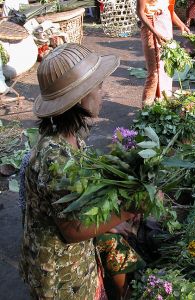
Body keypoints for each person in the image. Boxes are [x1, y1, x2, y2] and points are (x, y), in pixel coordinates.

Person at [19, 43, 143, 299]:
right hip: (60, 275)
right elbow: (73, 229)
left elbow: (78, 205)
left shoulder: (67, 138)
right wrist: (129, 209)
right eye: (98, 87)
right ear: (80, 98)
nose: (103, 92)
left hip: (72, 260)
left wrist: (110, 223)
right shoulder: (56, 158)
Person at [137, 0, 190, 107]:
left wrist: (181, 25)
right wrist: (155, 32)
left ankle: (161, 104)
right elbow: (140, 12)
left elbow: (169, 10)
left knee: (166, 68)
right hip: (151, 27)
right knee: (154, 73)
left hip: (165, 26)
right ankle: (146, 110)